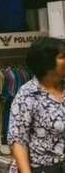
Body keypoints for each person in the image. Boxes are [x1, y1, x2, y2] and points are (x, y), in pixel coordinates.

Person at [8, 37, 65, 173]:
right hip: (42, 169)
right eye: (62, 57)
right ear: (47, 61)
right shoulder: (28, 94)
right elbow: (18, 141)